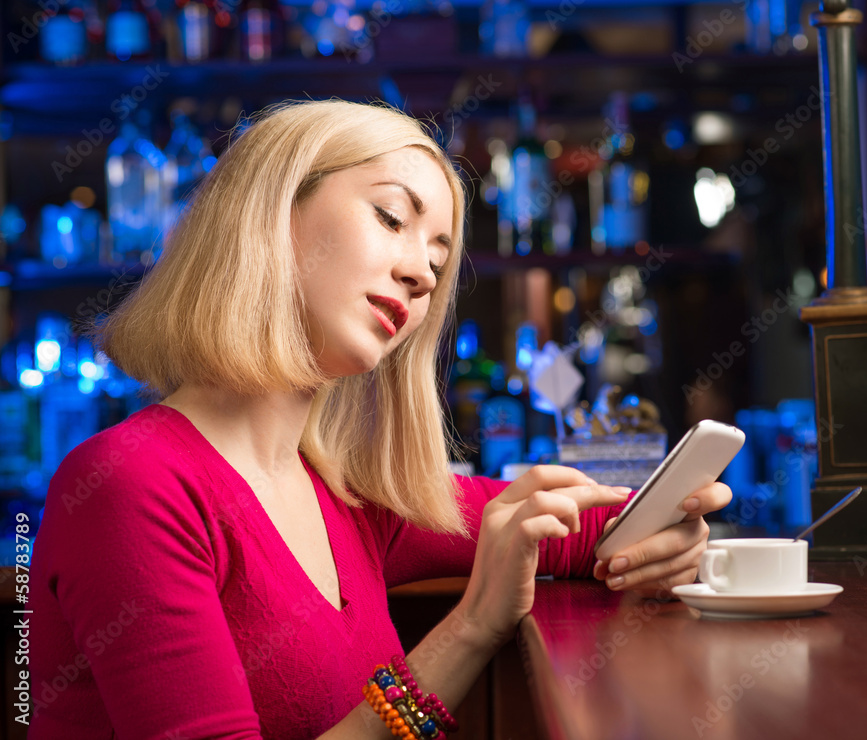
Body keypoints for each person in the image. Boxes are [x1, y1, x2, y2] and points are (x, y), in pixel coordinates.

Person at [28, 100, 731, 739]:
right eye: (393, 218)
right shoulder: (130, 485)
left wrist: (670, 528)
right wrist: (472, 628)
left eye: (438, 256)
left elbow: (564, 528)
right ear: (270, 213)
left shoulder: (354, 499)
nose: (424, 275)